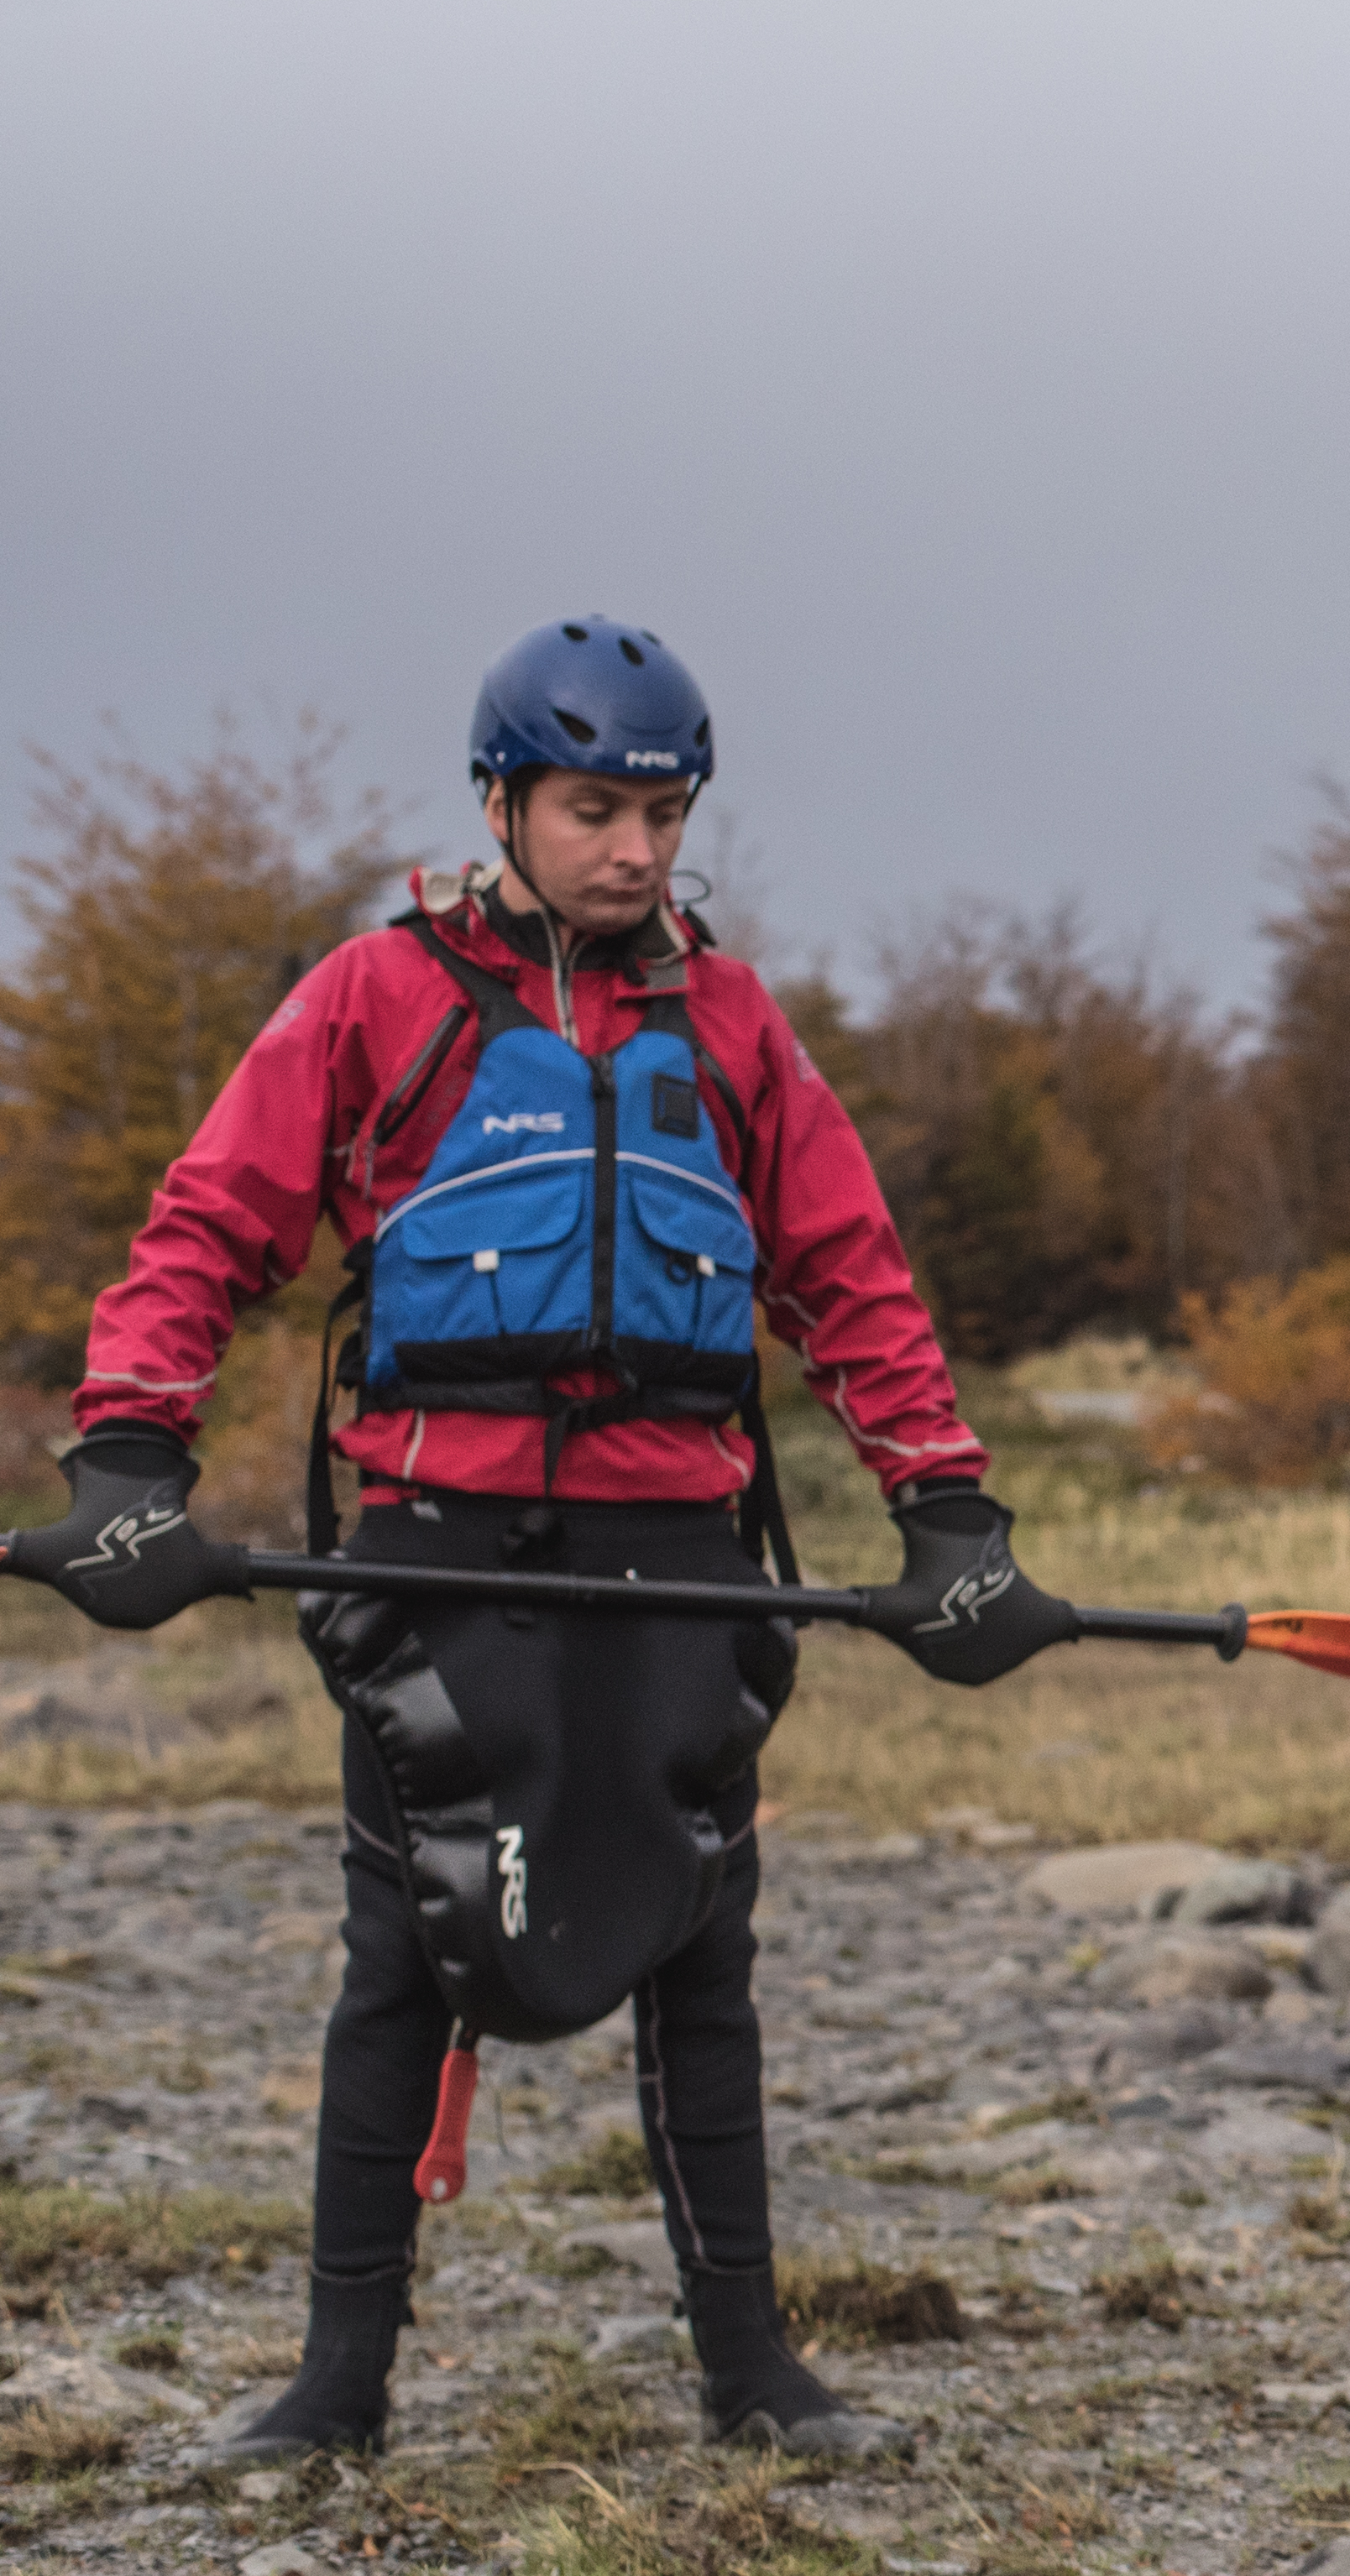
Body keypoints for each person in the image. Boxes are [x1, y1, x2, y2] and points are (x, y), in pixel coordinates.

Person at [35, 617, 1070, 2467]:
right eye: (597, 808)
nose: (637, 850)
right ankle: (337, 2389)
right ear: (502, 800)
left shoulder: (733, 1022)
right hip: (439, 1542)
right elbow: (210, 1226)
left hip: (675, 1537)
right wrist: (129, 1455)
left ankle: (753, 2376)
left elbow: (847, 1275)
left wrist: (949, 1510)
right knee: (401, 1945)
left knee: (698, 1945)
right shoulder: (376, 994)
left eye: (664, 813)